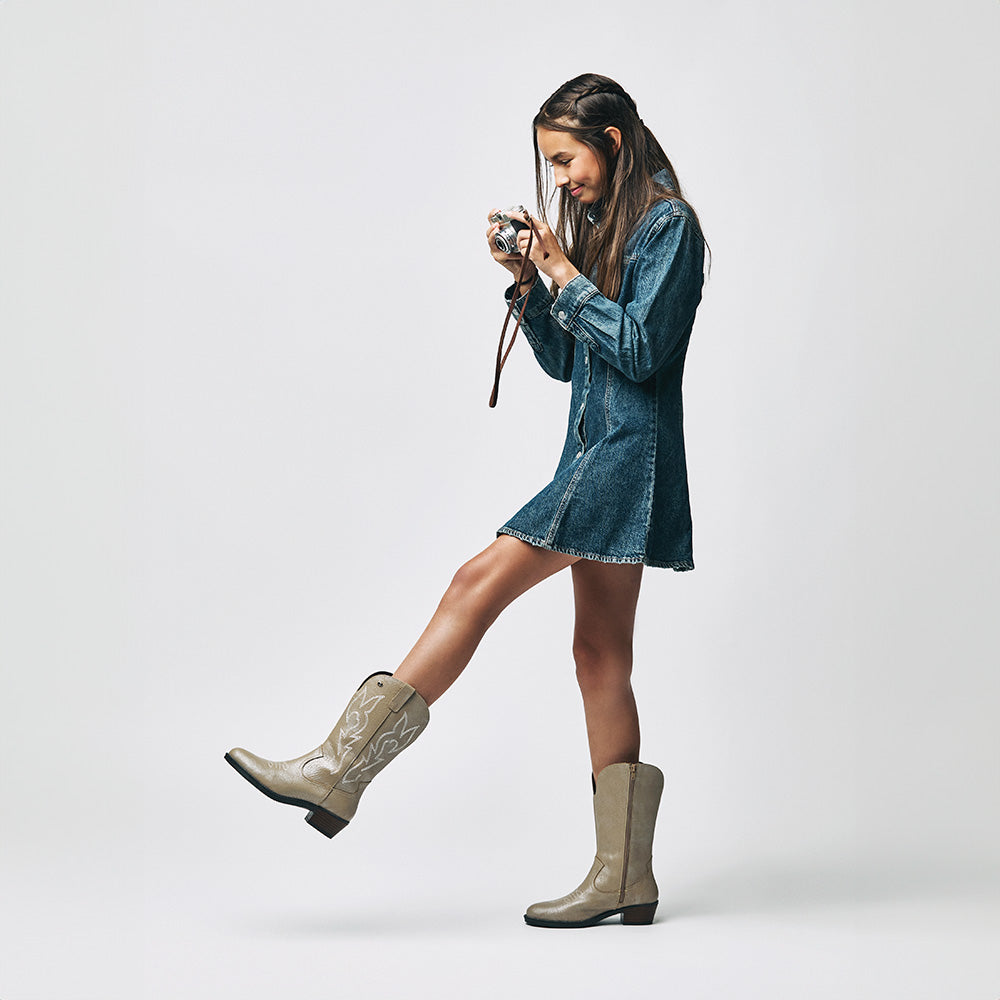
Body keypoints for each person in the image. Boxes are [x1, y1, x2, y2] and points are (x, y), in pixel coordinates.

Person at [225, 72, 708, 929]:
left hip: (626, 462)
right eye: (550, 166)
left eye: (568, 161)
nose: (560, 181)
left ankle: (340, 769)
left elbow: (638, 353)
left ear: (616, 141)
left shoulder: (669, 225)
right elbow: (571, 366)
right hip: (600, 455)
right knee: (599, 657)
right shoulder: (602, 227)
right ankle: (626, 877)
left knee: (472, 582)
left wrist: (563, 271)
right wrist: (532, 283)